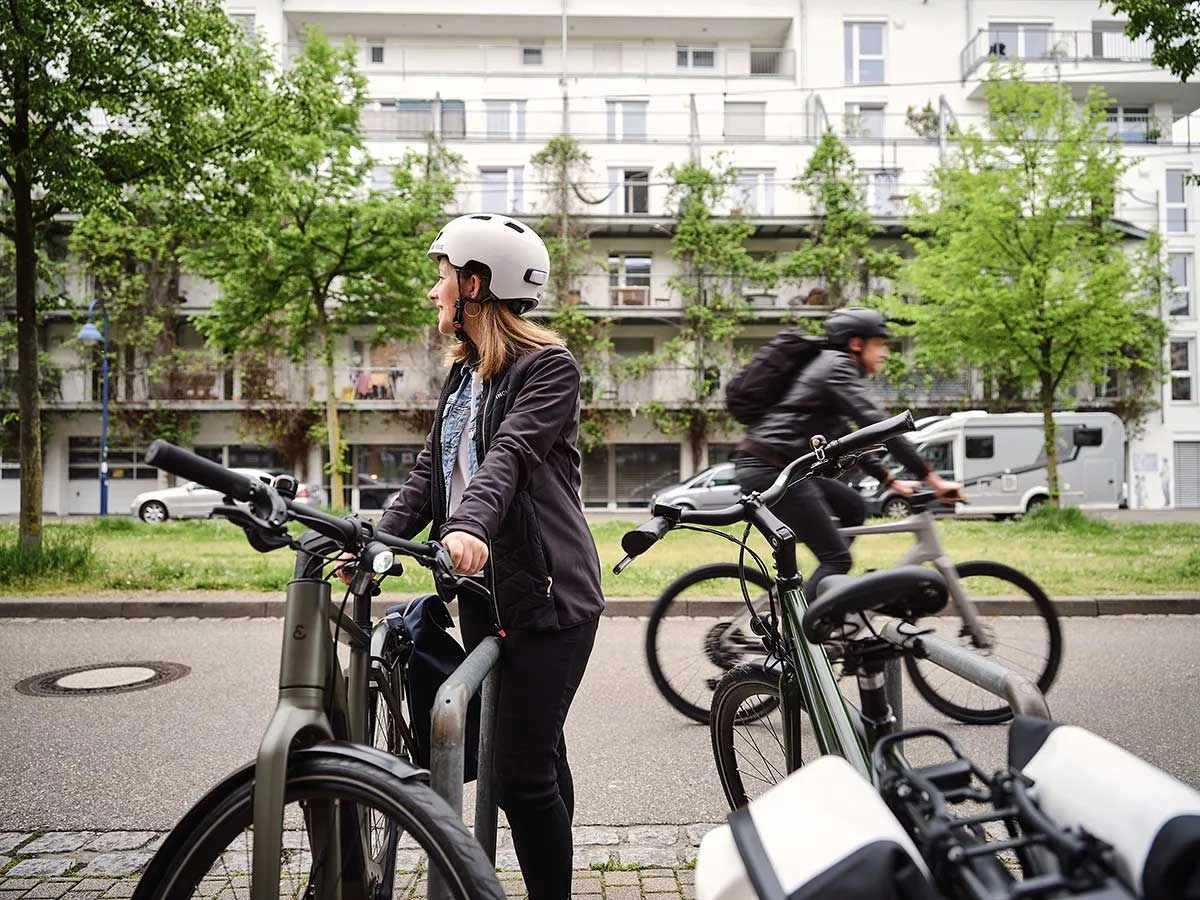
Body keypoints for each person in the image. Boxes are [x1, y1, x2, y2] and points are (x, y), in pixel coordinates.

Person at [349, 213, 604, 900]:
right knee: (537, 754)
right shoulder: (463, 378)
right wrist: (375, 536)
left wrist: (468, 529)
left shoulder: (549, 368)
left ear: (475, 283)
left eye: (441, 277)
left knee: (521, 773)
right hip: (483, 593)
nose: (433, 292)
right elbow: (430, 475)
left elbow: (509, 460)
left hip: (551, 598)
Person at [732, 307, 963, 598]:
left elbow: (848, 437)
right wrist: (933, 479)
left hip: (783, 469)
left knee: (854, 508)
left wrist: (891, 481)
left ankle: (825, 592)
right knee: (837, 558)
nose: (885, 353)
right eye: (879, 344)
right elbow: (879, 424)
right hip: (770, 470)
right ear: (856, 343)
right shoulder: (836, 367)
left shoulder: (830, 369)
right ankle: (806, 630)